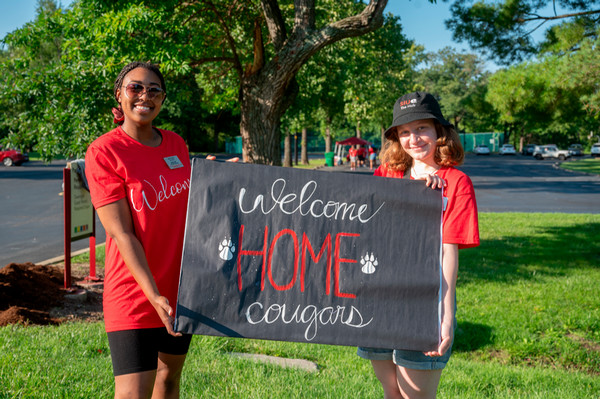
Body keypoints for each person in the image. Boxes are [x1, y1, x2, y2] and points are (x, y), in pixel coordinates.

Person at [357, 91, 480, 399]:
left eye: (422, 128)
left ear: (440, 132)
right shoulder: (386, 174)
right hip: (379, 298)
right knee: (392, 393)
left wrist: (445, 317)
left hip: (423, 304)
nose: (414, 138)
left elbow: (448, 251)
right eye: (405, 131)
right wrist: (222, 174)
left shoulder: (456, 182)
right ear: (397, 138)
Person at [85, 61, 193, 399]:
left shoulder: (177, 145)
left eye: (155, 90)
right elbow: (122, 234)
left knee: (169, 380)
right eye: (135, 87)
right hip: (133, 293)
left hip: (179, 291)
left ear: (162, 99)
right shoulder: (105, 151)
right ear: (119, 95)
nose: (145, 95)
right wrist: (152, 295)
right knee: (133, 394)